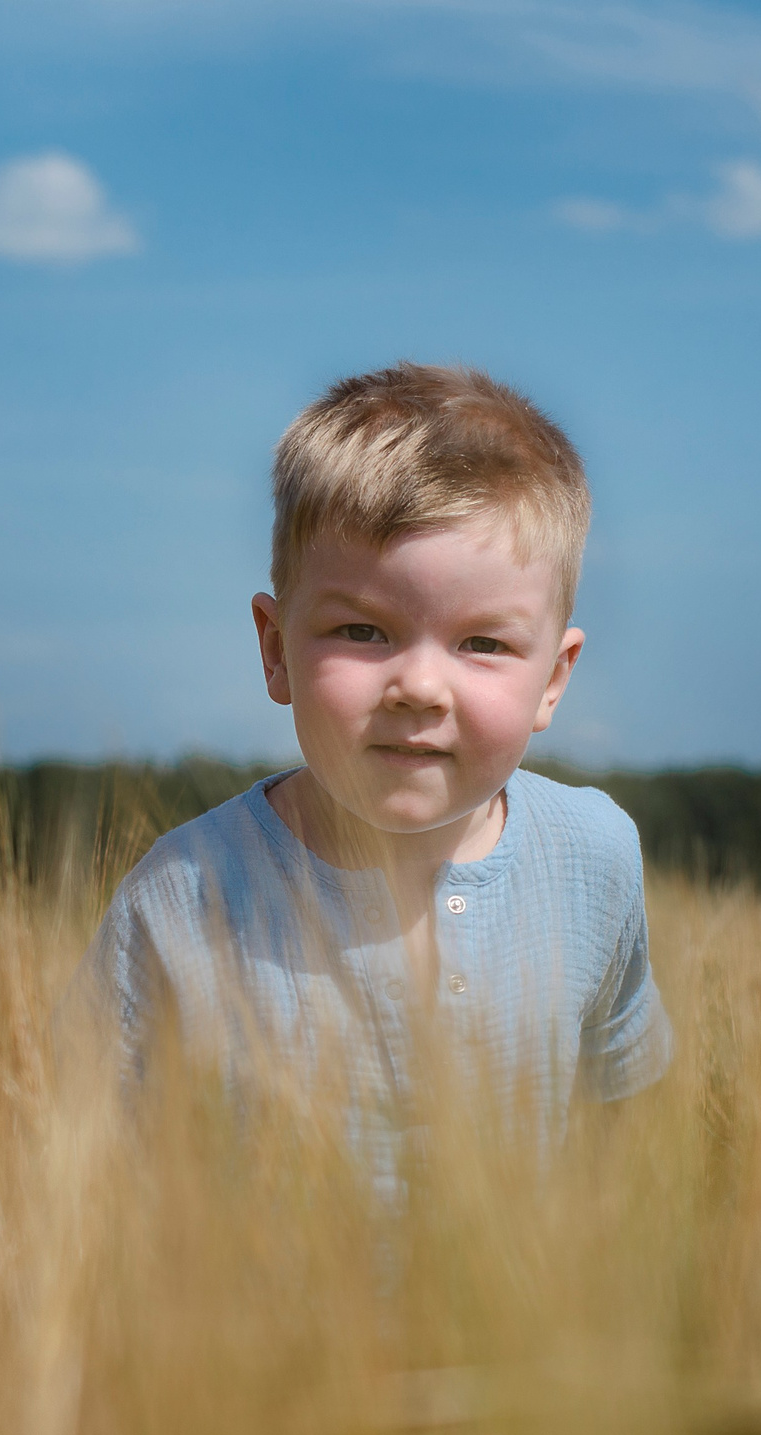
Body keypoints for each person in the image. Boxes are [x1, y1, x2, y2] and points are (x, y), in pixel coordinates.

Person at [76, 362, 669, 1153]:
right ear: (275, 646)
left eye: (483, 643)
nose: (420, 686)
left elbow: (622, 1125)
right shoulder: (185, 898)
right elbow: (57, 1165)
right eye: (362, 631)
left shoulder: (594, 858)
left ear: (553, 680)